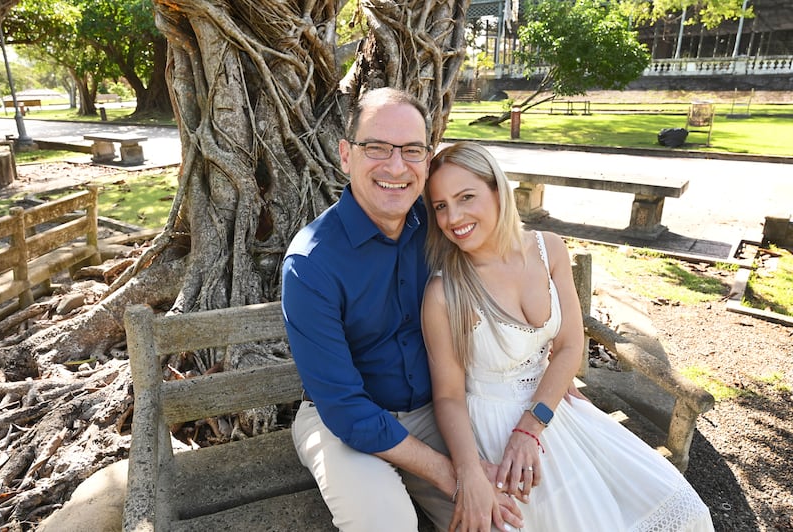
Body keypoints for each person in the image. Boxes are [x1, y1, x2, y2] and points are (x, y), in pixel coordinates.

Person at [421, 141, 715, 532]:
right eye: (440, 205)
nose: (453, 216)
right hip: (490, 427)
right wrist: (470, 470)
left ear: (497, 190)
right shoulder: (444, 293)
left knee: (682, 507)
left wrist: (533, 424)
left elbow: (570, 347)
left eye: (466, 197)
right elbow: (448, 396)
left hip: (550, 409)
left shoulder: (549, 249)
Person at [281, 90, 521, 532]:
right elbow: (344, 408)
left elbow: (511, 268)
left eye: (412, 150)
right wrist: (456, 475)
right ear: (345, 154)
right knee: (386, 524)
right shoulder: (311, 264)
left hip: (436, 410)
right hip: (341, 424)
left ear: (427, 160)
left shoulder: (441, 225)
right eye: (376, 147)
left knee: (503, 519)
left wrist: (551, 363)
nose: (396, 166)